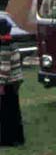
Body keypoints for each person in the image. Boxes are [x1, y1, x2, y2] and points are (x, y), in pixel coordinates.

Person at [0, 18, 24, 146]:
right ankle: (18, 138)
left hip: (8, 82)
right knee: (15, 110)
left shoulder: (4, 45)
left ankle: (6, 139)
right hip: (16, 80)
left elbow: (4, 67)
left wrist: (1, 84)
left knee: (5, 112)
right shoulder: (12, 42)